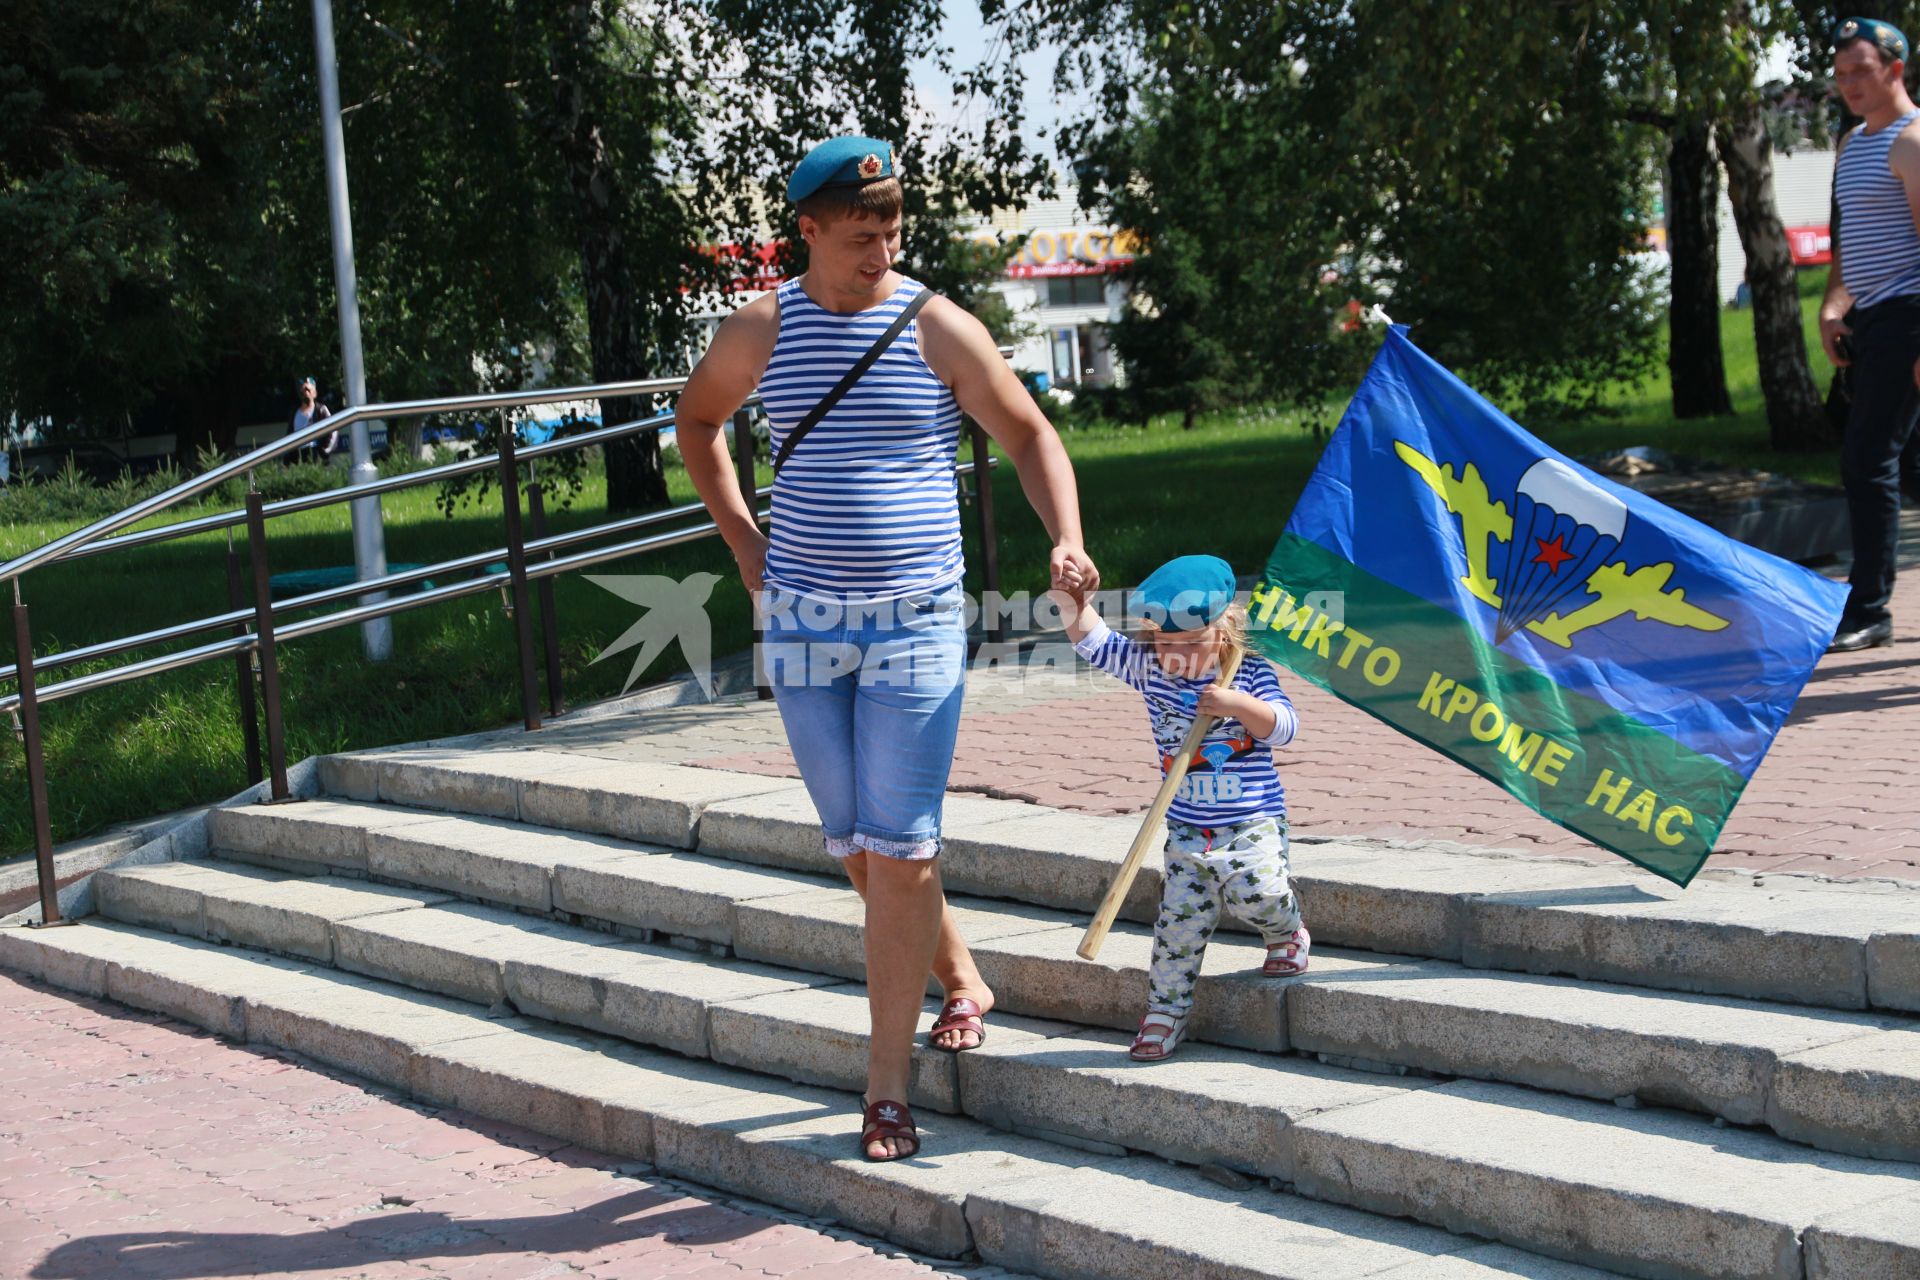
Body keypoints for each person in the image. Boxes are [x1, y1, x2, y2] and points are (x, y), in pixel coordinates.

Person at [675, 136, 1098, 1161]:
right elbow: (697, 421)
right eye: (861, 235)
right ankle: (962, 971)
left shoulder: (935, 324)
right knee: (861, 847)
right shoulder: (763, 327)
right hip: (807, 625)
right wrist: (742, 539)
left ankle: (885, 1087)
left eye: (893, 231)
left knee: (901, 844)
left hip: (914, 621)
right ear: (808, 230)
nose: (881, 249)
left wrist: (1067, 534)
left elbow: (1029, 433)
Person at [1060, 555, 1305, 1062]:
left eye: (1193, 645)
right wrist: (1072, 599)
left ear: (1225, 629)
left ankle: (1287, 933)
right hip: (1188, 829)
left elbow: (1284, 728)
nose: (1179, 656)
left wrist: (1237, 705)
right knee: (1177, 927)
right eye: (1167, 644)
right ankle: (1164, 1013)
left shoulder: (1250, 672)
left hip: (1252, 819)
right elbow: (1093, 642)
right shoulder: (1152, 670)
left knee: (1259, 891)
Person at [1819, 17, 1920, 651]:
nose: (1850, 84)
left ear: (1895, 69)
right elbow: (1849, 238)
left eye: (1861, 70)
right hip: (1871, 318)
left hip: (1910, 315)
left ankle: (1869, 609)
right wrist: (1834, 308)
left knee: (1866, 459)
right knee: (1908, 465)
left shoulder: (1912, 143)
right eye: (1840, 75)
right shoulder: (1853, 143)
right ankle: (1871, 604)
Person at [288, 377, 339, 464]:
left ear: (314, 393)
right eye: (303, 390)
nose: (305, 393)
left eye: (308, 390)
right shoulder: (294, 412)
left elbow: (333, 429)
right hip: (298, 455)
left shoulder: (321, 409)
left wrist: (325, 451)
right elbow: (289, 434)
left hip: (315, 452)